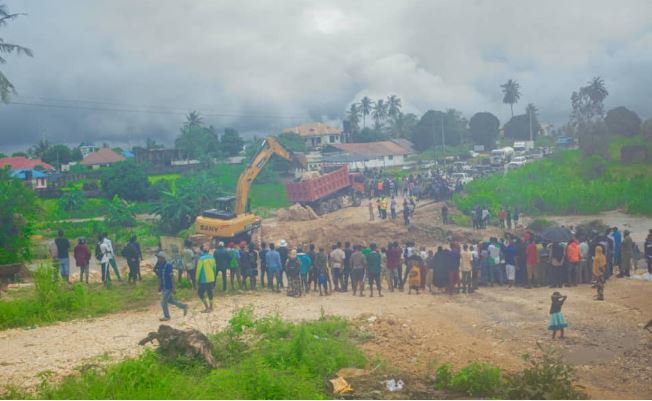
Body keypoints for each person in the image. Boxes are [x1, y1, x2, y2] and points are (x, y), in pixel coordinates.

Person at [155, 251, 188, 321]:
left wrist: (174, 288)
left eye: (159, 258)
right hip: (164, 287)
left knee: (163, 302)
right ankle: (184, 306)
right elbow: (160, 277)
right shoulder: (160, 266)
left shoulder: (168, 265)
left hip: (169, 286)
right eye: (158, 258)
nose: (158, 259)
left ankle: (167, 316)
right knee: (171, 301)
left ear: (163, 258)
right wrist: (159, 286)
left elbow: (172, 277)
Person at [195, 244, 217, 313]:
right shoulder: (212, 258)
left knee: (200, 293)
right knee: (210, 292)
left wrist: (197, 279)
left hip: (203, 279)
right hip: (211, 278)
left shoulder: (201, 259)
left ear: (202, 251)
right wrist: (213, 276)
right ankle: (211, 307)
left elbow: (198, 270)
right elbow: (214, 268)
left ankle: (207, 307)